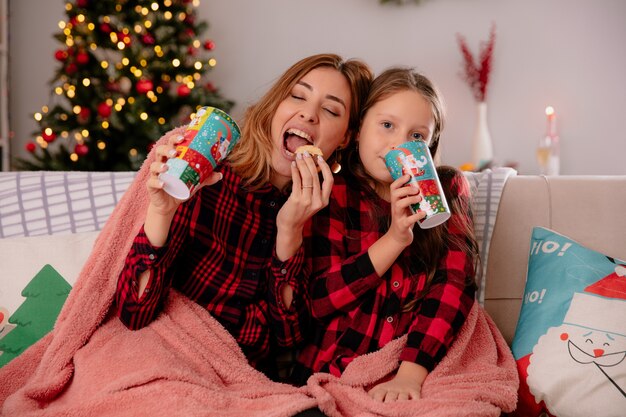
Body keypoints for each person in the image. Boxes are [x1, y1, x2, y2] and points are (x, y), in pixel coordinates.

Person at [114, 53, 373, 377]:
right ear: (276, 105)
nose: (308, 113)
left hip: (242, 382)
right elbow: (133, 313)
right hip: (165, 358)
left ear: (345, 138)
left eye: (331, 109)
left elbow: (289, 340)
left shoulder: (330, 213)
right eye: (298, 95)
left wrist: (290, 229)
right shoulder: (207, 170)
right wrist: (161, 211)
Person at [292, 67, 480, 402]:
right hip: (337, 367)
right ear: (358, 129)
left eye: (417, 137)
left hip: (418, 364)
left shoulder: (447, 190)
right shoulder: (333, 193)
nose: (399, 144)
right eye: (387, 125)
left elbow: (454, 286)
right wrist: (394, 239)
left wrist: (409, 376)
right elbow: (318, 300)